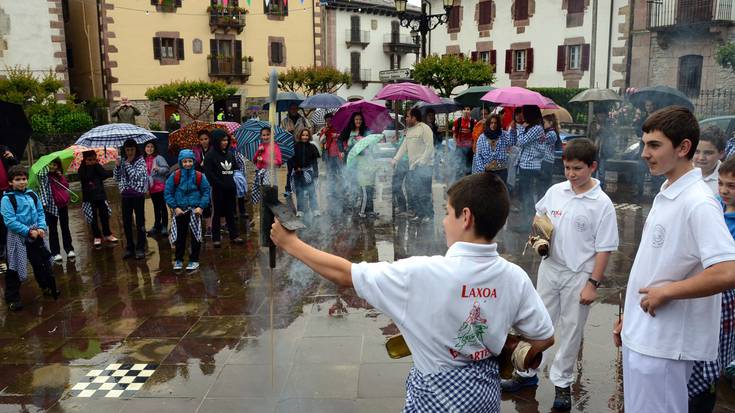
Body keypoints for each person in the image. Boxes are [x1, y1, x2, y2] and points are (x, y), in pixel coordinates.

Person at [270, 171, 555, 412]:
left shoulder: (421, 273)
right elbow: (544, 337)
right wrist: (504, 348)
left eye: (447, 213)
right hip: (485, 399)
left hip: (433, 401)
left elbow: (346, 274)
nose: (444, 221)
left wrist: (291, 244)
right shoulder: (515, 277)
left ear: (466, 217)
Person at [612, 106, 735, 413]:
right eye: (644, 144)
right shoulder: (668, 191)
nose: (645, 153)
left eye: (654, 145)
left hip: (666, 343)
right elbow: (657, 265)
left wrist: (666, 292)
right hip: (645, 334)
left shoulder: (699, 202)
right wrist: (631, 317)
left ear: (683, 148)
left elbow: (727, 271)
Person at [503, 138, 619, 411]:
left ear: (592, 167)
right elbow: (539, 215)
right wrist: (539, 236)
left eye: (577, 168)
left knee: (571, 329)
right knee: (535, 322)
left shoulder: (601, 203)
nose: (571, 174)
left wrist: (593, 284)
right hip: (550, 268)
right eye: (567, 168)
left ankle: (563, 383)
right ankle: (525, 372)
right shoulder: (556, 191)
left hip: (579, 275)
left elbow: (604, 249)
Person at [687, 157, 735, 411]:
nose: (724, 190)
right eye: (722, 184)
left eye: (732, 186)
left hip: (727, 296)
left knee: (715, 353)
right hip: (703, 288)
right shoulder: (712, 206)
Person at [2, 166, 57, 311]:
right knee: (14, 266)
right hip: (17, 237)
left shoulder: (32, 194)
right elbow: (10, 221)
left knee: (40, 262)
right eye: (17, 179)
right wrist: (27, 231)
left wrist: (41, 227)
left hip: (36, 234)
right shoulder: (7, 199)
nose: (22, 182)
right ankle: (12, 298)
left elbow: (40, 212)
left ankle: (45, 285)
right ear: (10, 182)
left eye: (24, 179)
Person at [164, 149, 211, 272]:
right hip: (180, 210)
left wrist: (201, 207)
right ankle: (178, 259)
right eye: (185, 161)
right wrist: (175, 207)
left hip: (195, 210)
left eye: (190, 161)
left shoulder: (199, 176)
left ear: (193, 161)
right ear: (181, 162)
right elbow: (168, 192)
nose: (188, 164)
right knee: (180, 236)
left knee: (196, 236)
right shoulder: (175, 176)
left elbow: (206, 192)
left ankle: (194, 260)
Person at [204, 129, 245, 247]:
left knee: (230, 212)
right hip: (217, 189)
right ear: (216, 141)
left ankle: (234, 235)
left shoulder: (230, 154)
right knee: (217, 212)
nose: (225, 142)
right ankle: (216, 238)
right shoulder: (210, 156)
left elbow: (235, 169)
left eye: (226, 140)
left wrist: (235, 181)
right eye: (222, 140)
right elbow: (209, 174)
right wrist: (220, 184)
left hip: (230, 189)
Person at [392, 108, 434, 222]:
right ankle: (420, 214)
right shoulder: (409, 130)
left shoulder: (424, 128)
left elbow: (429, 147)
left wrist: (421, 162)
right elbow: (404, 146)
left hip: (424, 167)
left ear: (414, 118)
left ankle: (429, 215)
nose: (406, 118)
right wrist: (395, 159)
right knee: (416, 192)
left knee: (425, 192)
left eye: (407, 116)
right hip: (412, 167)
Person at [114, 139, 148, 259]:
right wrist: (117, 166)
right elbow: (117, 178)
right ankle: (129, 247)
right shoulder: (122, 160)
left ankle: (141, 248)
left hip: (138, 195)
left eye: (132, 149)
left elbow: (136, 177)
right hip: (126, 195)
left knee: (140, 222)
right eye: (127, 150)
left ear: (135, 149)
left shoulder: (140, 161)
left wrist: (128, 164)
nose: (129, 152)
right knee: (127, 222)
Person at [38, 159, 75, 262]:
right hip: (50, 206)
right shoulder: (44, 177)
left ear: (58, 166)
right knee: (53, 229)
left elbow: (66, 186)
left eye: (55, 165)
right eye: (50, 164)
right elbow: (42, 190)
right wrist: (44, 204)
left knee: (65, 227)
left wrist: (60, 176)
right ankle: (55, 252)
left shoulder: (59, 176)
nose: (52, 167)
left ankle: (69, 249)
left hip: (62, 205)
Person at [514, 105, 547, 220]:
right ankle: (527, 219)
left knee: (527, 194)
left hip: (530, 165)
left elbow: (521, 142)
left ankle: (529, 220)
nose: (522, 115)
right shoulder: (533, 127)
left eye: (524, 113)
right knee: (525, 193)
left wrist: (520, 127)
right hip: (526, 164)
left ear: (530, 114)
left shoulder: (536, 128)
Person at [78, 150, 117, 247]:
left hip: (100, 195)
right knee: (93, 217)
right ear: (85, 159)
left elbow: (104, 175)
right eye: (90, 159)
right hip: (89, 197)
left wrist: (96, 166)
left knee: (104, 215)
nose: (92, 161)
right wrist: (90, 167)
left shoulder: (97, 165)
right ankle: (97, 236)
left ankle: (107, 234)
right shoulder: (82, 168)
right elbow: (85, 178)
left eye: (94, 159)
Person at [281, 103, 312, 198]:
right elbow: (281, 134)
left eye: (295, 108)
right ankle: (288, 189)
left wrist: (303, 134)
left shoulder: (303, 119)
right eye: (292, 108)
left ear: (298, 109)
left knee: (302, 168)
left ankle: (304, 187)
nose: (293, 110)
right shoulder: (284, 121)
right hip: (290, 148)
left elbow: (309, 130)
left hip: (301, 148)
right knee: (290, 169)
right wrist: (287, 132)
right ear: (289, 109)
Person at [340, 113, 369, 210]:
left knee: (360, 182)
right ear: (353, 120)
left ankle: (360, 203)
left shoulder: (365, 130)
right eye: (356, 119)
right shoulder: (348, 129)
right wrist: (341, 150)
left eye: (360, 119)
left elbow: (369, 144)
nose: (358, 121)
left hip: (362, 160)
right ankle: (350, 203)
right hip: (349, 159)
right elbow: (339, 140)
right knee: (351, 181)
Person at [472, 114, 511, 184]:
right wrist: (483, 169)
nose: (493, 125)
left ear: (498, 124)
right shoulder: (482, 137)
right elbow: (478, 155)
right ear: (488, 124)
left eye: (495, 123)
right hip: (487, 172)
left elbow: (512, 142)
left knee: (500, 190)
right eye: (491, 123)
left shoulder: (504, 135)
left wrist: (513, 129)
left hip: (501, 171)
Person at [291, 127, 321, 217]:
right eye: (303, 135)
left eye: (307, 135)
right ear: (300, 136)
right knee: (299, 191)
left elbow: (314, 162)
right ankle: (300, 210)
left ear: (309, 136)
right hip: (298, 173)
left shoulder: (312, 147)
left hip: (308, 172)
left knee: (311, 191)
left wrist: (316, 174)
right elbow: (292, 159)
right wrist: (296, 167)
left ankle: (315, 209)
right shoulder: (295, 147)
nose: (305, 137)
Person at [143, 141, 170, 236]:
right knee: (156, 207)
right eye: (147, 147)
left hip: (160, 186)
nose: (149, 149)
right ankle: (157, 225)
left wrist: (158, 169)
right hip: (151, 187)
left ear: (154, 148)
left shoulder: (158, 158)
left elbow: (167, 169)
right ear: (144, 148)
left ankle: (164, 226)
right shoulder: (144, 159)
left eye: (151, 147)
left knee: (163, 207)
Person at [252, 126, 283, 205]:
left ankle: (268, 210)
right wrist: (258, 151)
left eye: (268, 134)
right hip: (259, 174)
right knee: (261, 197)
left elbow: (279, 162)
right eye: (264, 135)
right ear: (261, 136)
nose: (266, 137)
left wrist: (264, 160)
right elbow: (254, 160)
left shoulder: (275, 147)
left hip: (270, 174)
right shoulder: (260, 146)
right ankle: (261, 209)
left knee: (268, 196)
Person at [319, 113, 344, 206]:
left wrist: (337, 135)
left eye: (330, 120)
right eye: (327, 120)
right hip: (329, 155)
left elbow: (343, 137)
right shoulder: (325, 129)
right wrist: (324, 132)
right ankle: (332, 191)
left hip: (338, 155)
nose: (329, 122)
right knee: (330, 174)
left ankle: (342, 191)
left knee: (341, 173)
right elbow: (321, 140)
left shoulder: (338, 128)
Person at [0, 145, 19, 270]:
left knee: (9, 222)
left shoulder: (3, 149)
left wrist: (12, 158)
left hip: (7, 192)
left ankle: (11, 253)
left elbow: (16, 168)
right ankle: (2, 255)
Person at [693, 126, 726, 195]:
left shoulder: (728, 179)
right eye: (696, 151)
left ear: (721, 154)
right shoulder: (681, 172)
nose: (701, 158)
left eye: (708, 153)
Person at [193, 130, 213, 234]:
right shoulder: (196, 150)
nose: (204, 141)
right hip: (200, 179)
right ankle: (207, 226)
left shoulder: (213, 149)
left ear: (209, 139)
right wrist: (199, 164)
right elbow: (193, 164)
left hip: (211, 179)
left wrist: (208, 162)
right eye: (201, 139)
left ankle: (212, 225)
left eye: (206, 139)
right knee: (204, 201)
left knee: (212, 202)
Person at [452, 106, 476, 179]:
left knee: (469, 168)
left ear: (470, 111)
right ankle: (457, 182)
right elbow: (454, 135)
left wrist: (474, 147)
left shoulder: (474, 122)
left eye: (468, 109)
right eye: (464, 109)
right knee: (458, 168)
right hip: (460, 148)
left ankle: (468, 182)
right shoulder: (457, 121)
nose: (466, 111)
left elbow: (475, 136)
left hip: (470, 149)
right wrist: (456, 145)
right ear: (462, 111)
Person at [541, 114, 560, 191]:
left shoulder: (551, 133)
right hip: (547, 161)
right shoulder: (549, 132)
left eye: (544, 122)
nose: (542, 124)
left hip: (546, 161)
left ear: (551, 123)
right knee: (543, 184)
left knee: (543, 184)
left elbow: (540, 142)